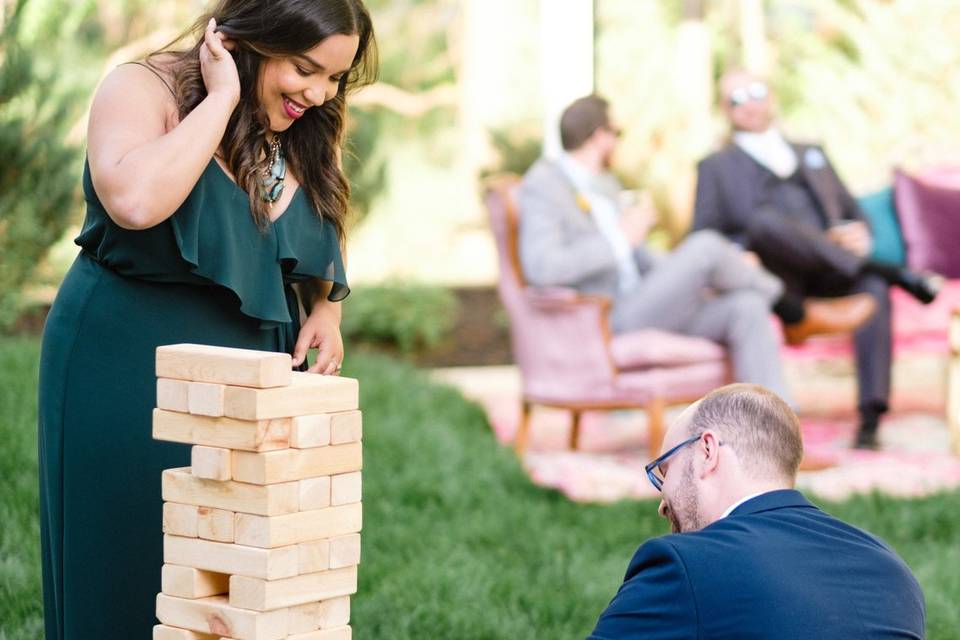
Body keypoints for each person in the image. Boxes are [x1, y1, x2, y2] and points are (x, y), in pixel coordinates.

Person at [37, 2, 376, 637]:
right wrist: (221, 99)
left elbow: (313, 223)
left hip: (253, 376)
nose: (320, 92)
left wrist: (326, 307)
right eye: (305, 68)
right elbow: (135, 202)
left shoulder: (301, 119)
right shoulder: (141, 87)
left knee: (238, 586)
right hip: (129, 362)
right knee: (131, 557)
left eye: (335, 78)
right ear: (254, 35)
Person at [518, 95, 876, 405]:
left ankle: (775, 436)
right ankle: (796, 313)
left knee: (746, 307)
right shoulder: (543, 186)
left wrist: (702, 275)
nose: (618, 142)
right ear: (600, 137)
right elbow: (542, 267)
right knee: (705, 246)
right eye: (617, 134)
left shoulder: (606, 185)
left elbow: (638, 261)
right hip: (606, 318)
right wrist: (618, 239)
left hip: (646, 303)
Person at [692, 70, 941, 449]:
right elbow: (703, 235)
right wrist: (738, 255)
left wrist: (858, 233)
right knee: (763, 223)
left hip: (830, 267)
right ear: (726, 111)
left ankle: (870, 420)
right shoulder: (715, 166)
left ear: (771, 95)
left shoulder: (812, 152)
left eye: (755, 91)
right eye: (736, 98)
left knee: (872, 290)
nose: (750, 103)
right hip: (778, 276)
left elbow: (852, 211)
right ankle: (892, 272)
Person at [589, 383, 926, 639]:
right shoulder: (891, 569)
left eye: (664, 471)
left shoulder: (685, 566)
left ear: (707, 451)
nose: (663, 500)